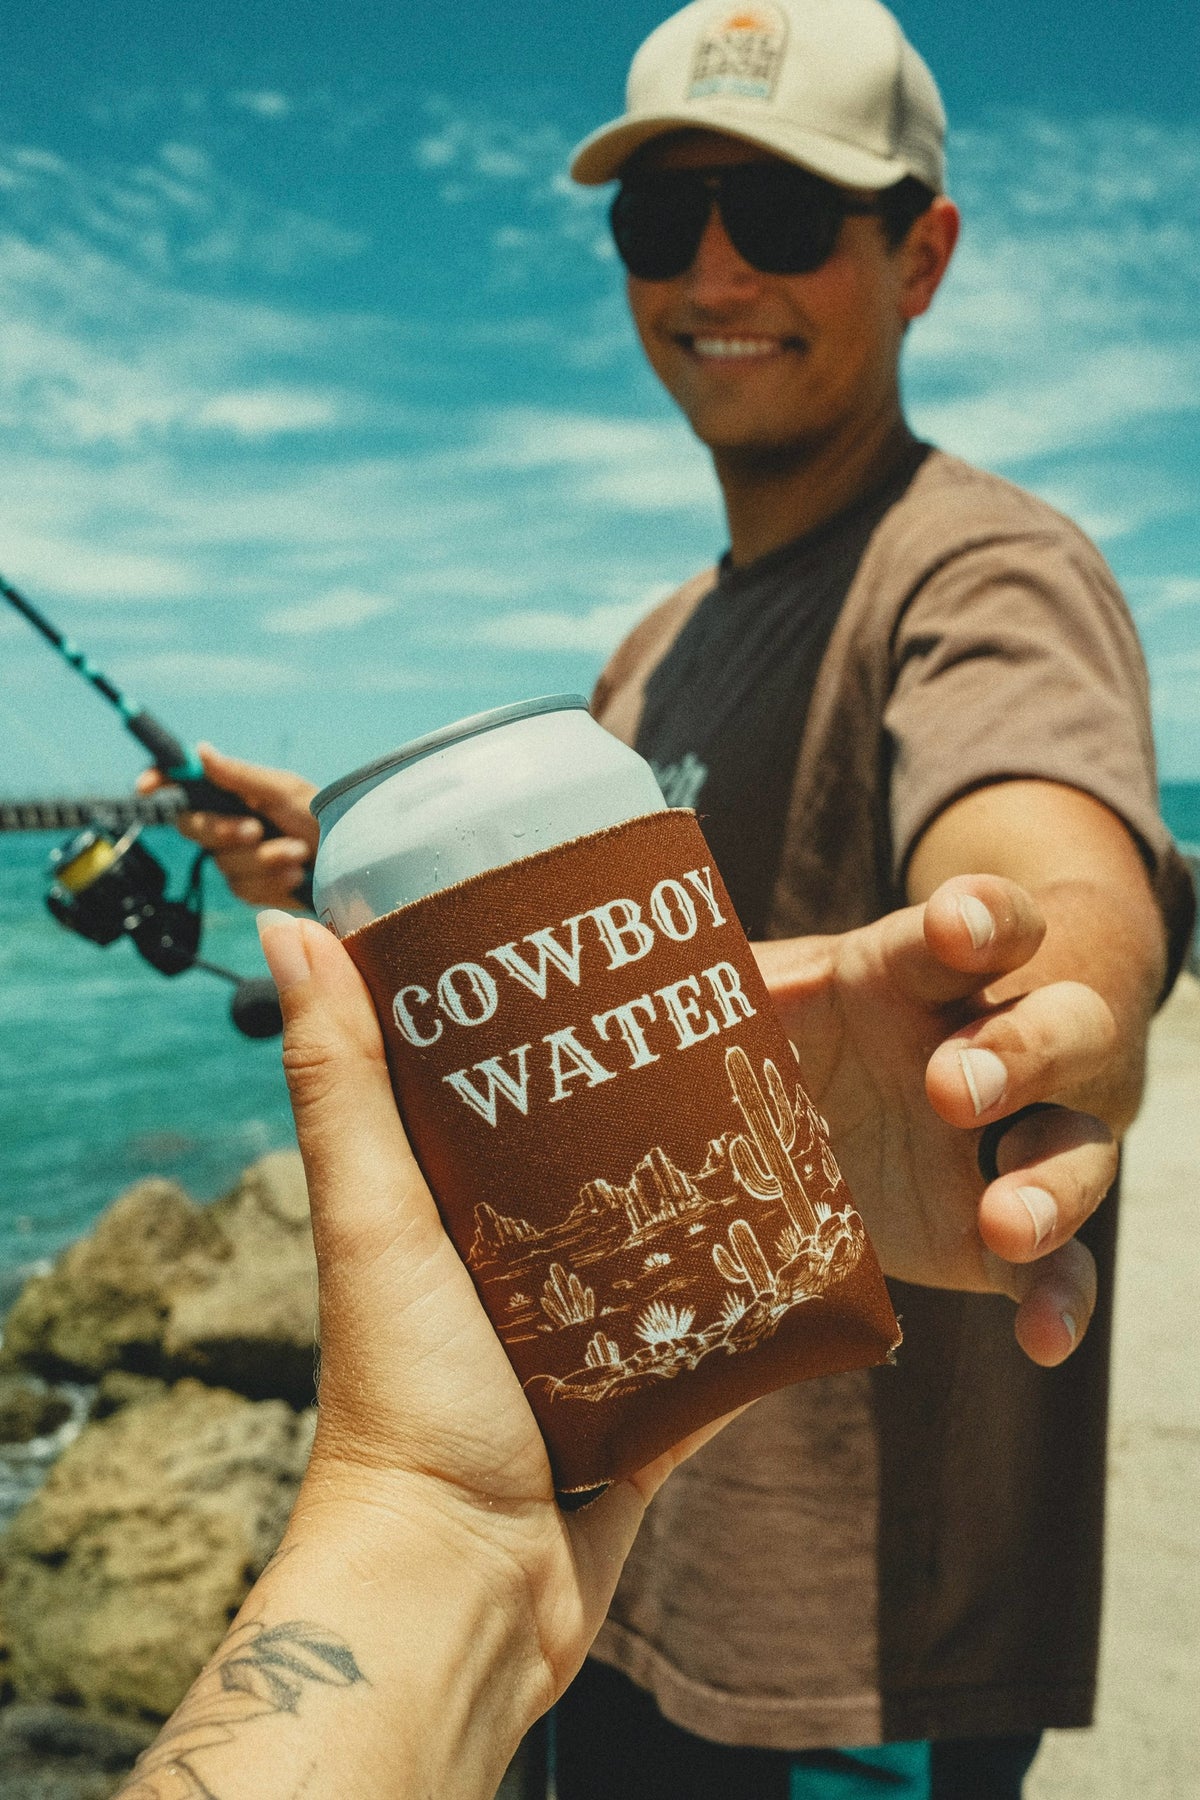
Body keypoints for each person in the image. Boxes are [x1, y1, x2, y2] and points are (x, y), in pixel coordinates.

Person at [140, 1, 1195, 1794]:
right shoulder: (656, 644)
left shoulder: (982, 562)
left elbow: (1050, 845)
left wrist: (1027, 996)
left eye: (783, 216)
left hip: (849, 1651)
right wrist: (332, 854)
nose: (713, 266)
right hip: (615, 1575)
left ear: (920, 254)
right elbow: (603, 931)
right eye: (660, 218)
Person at [116, 877, 1122, 1800]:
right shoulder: (637, 681)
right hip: (610, 1612)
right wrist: (442, 1519)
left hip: (843, 1644)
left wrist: (1022, 1040)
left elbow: (1078, 892)